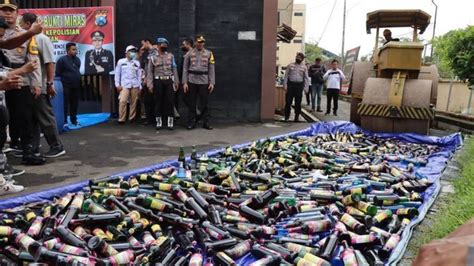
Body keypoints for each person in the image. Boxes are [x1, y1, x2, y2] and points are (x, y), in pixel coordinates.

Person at [0, 1, 46, 165]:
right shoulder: (1, 32)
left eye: (11, 11)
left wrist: (36, 83)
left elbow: (33, 59)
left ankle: (28, 150)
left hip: (20, 78)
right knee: (5, 117)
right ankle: (8, 149)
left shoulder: (26, 34)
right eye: (4, 10)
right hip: (2, 78)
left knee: (24, 117)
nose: (7, 14)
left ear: (17, 13)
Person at [20, 13, 65, 158]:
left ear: (28, 24)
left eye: (22, 23)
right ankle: (33, 148)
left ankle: (56, 146)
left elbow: (50, 63)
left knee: (45, 117)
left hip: (41, 85)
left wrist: (50, 83)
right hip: (29, 85)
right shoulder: (26, 39)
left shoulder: (42, 39)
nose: (20, 26)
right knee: (32, 118)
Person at [183, 35, 215, 130]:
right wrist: (184, 82)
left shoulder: (209, 53)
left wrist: (212, 82)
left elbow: (211, 69)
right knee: (192, 102)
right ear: (196, 43)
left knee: (204, 103)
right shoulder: (189, 53)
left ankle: (206, 122)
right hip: (192, 80)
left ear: (204, 43)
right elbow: (185, 68)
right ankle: (191, 122)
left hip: (204, 81)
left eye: (202, 42)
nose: (200, 44)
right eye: (198, 42)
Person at [147, 37, 179, 130]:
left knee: (170, 101)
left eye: (165, 45)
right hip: (158, 81)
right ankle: (159, 122)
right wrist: (150, 84)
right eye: (162, 44)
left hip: (169, 80)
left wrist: (176, 81)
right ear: (158, 45)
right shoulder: (153, 57)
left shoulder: (170, 56)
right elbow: (150, 71)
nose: (164, 46)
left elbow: (174, 69)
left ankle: (170, 122)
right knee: (158, 101)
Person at [56, 43, 81, 126]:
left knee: (75, 103)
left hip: (76, 86)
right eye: (73, 49)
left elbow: (77, 70)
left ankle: (74, 120)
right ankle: (64, 121)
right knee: (65, 104)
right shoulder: (62, 60)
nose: (75, 51)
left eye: (76, 49)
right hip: (65, 86)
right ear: (68, 50)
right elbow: (58, 73)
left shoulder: (77, 60)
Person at [115, 45, 141, 124]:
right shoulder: (121, 61)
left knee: (134, 102)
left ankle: (132, 118)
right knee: (122, 101)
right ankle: (121, 119)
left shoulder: (137, 62)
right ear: (126, 53)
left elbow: (139, 75)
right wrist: (117, 85)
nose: (133, 53)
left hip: (135, 85)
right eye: (131, 51)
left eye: (134, 52)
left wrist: (140, 86)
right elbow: (117, 74)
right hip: (124, 85)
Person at [282, 52, 309, 122]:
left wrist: (306, 88)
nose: (298, 58)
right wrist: (285, 85)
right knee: (288, 102)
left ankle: (296, 117)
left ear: (302, 59)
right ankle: (286, 117)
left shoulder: (304, 67)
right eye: (297, 57)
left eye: (300, 58)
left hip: (299, 86)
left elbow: (306, 78)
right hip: (291, 85)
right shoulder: (290, 65)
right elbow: (286, 76)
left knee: (298, 102)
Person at [176, 38, 194, 119]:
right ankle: (194, 113)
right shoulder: (186, 55)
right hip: (184, 80)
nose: (182, 46)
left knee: (188, 97)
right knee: (186, 98)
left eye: (183, 45)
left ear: (188, 45)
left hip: (190, 80)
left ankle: (195, 113)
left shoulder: (192, 55)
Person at [139, 38, 155, 125]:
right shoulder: (148, 54)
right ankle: (150, 119)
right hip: (147, 79)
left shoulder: (154, 52)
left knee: (150, 100)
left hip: (152, 80)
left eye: (143, 44)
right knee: (147, 101)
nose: (142, 46)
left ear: (147, 42)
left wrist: (148, 80)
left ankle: (152, 119)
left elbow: (152, 69)